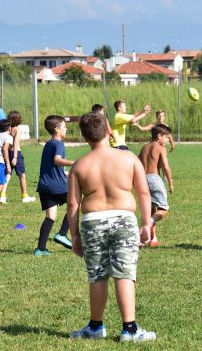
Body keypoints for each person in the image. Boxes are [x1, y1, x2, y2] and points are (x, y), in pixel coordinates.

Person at [68, 112, 155, 342]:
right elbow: (144, 192)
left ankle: (96, 327)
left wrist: (75, 235)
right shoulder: (129, 159)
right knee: (124, 274)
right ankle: (130, 329)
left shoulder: (79, 166)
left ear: (85, 138)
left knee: (97, 276)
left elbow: (73, 203)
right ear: (109, 130)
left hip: (92, 223)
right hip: (124, 220)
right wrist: (146, 222)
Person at [34, 115, 75, 255]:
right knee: (75, 204)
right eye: (64, 126)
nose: (66, 128)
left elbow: (54, 166)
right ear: (57, 129)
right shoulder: (58, 144)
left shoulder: (49, 143)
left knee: (50, 216)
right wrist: (74, 163)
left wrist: (67, 172)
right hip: (56, 186)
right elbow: (57, 160)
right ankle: (62, 234)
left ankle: (40, 249)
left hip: (44, 185)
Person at [138, 124, 174, 247]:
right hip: (154, 179)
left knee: (150, 210)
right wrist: (170, 182)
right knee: (164, 210)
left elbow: (137, 164)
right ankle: (147, 225)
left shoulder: (144, 147)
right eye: (166, 138)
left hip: (142, 179)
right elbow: (166, 166)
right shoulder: (160, 148)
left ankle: (150, 239)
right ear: (159, 136)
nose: (168, 140)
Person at [0, 110, 36, 204]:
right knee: (22, 175)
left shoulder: (7, 129)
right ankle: (24, 196)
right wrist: (15, 157)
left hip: (7, 153)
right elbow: (16, 143)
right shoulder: (17, 129)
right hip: (16, 153)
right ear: (17, 119)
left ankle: (2, 195)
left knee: (7, 175)